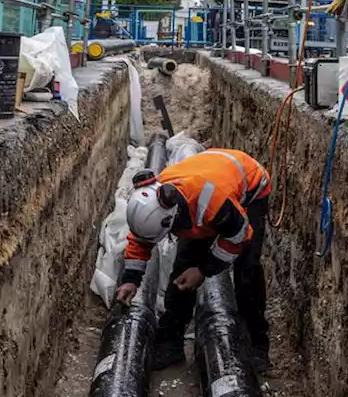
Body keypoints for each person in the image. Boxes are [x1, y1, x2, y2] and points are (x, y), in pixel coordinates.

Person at [115, 148, 271, 371]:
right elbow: (141, 240)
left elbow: (238, 237)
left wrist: (203, 270)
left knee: (247, 271)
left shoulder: (212, 201)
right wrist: (131, 279)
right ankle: (170, 342)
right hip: (208, 180)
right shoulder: (156, 201)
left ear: (172, 217)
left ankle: (256, 345)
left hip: (250, 187)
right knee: (182, 270)